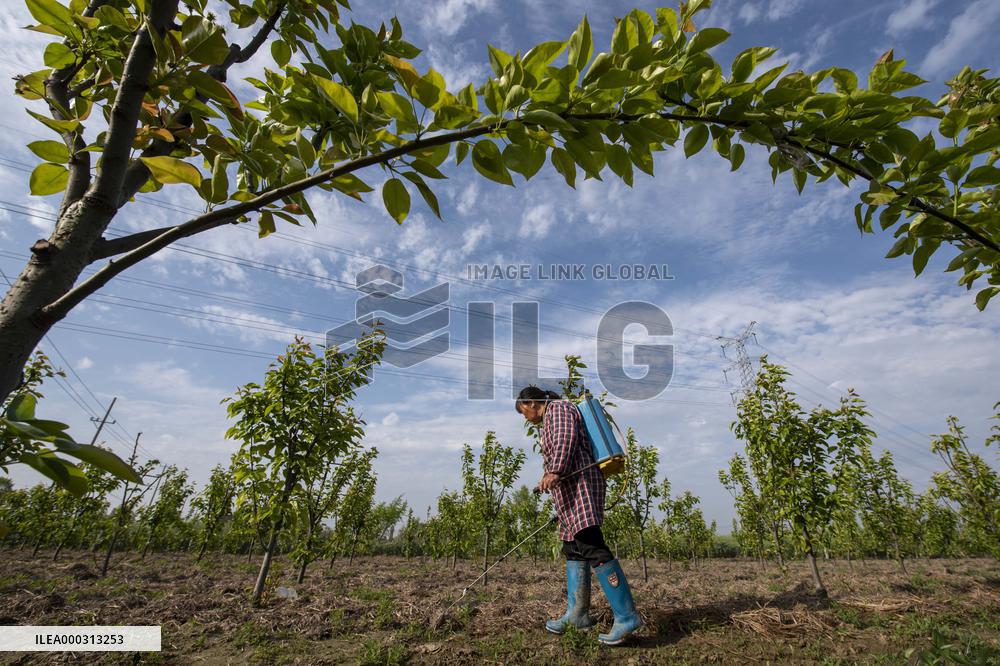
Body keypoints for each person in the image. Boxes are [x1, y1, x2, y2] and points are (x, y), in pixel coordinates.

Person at [514, 386, 642, 646]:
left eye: (523, 411)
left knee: (591, 544)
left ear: (531, 402)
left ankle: (627, 616)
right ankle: (578, 615)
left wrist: (555, 470)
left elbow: (565, 439)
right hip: (569, 493)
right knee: (573, 549)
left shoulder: (558, 409)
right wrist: (548, 477)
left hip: (581, 488)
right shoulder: (548, 418)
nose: (524, 417)